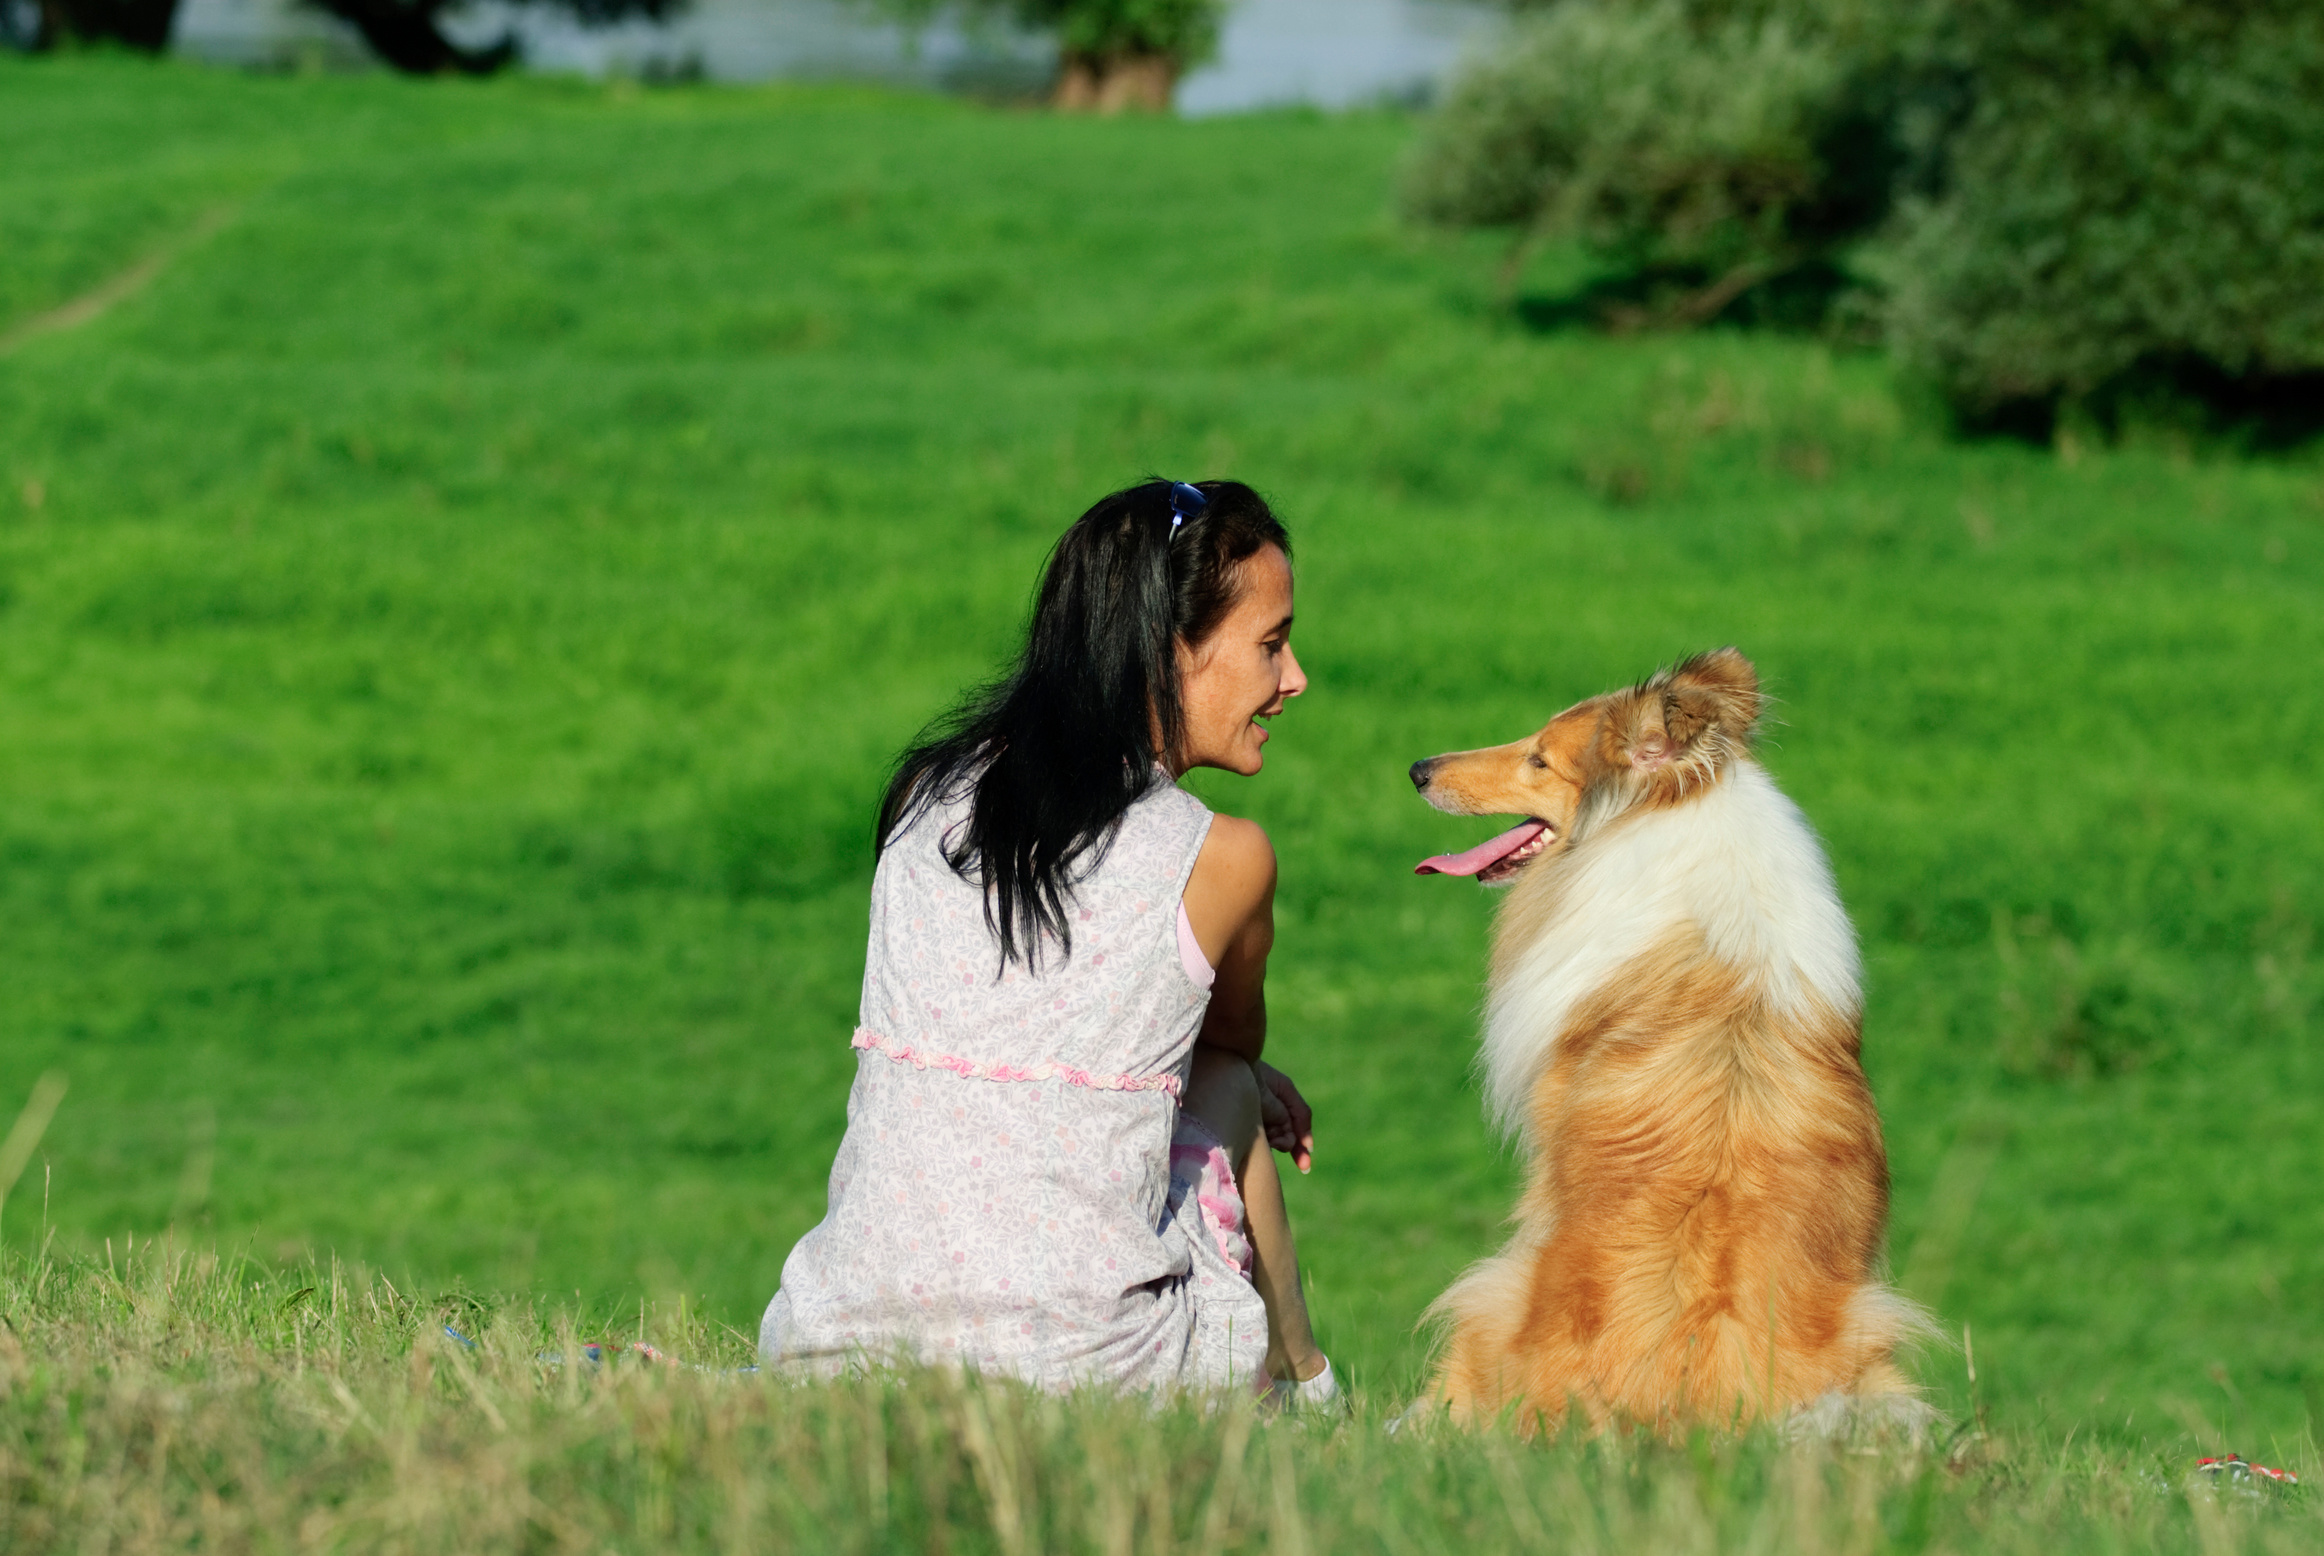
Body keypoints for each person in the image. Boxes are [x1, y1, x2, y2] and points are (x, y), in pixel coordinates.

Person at [760, 478, 1338, 1404]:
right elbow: (1226, 1051)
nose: (1294, 677)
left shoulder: (921, 794)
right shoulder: (1224, 858)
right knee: (1230, 1085)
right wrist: (1244, 1076)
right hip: (1088, 1372)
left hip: (837, 1343)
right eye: (1270, 645)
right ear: (1169, 652)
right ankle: (1310, 1388)